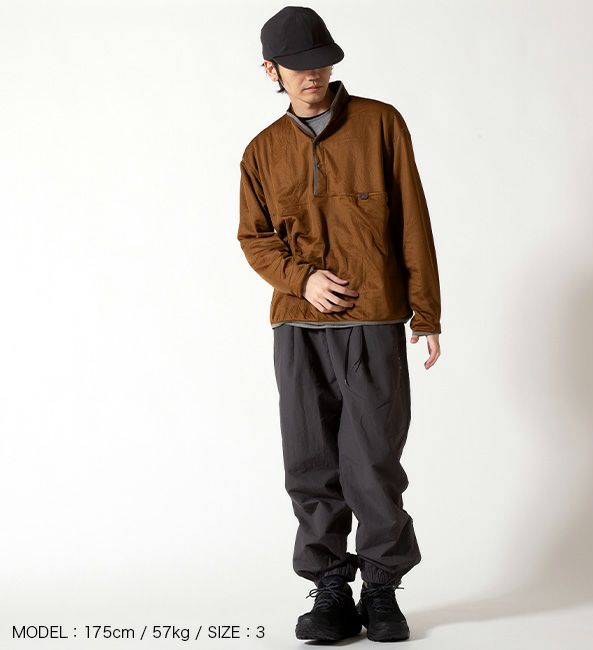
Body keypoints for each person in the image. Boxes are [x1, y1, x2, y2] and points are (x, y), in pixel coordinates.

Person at [237, 5, 442, 643]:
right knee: (309, 463)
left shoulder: (381, 124)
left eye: (321, 62)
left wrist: (427, 311)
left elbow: (412, 217)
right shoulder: (261, 151)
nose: (313, 75)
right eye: (298, 66)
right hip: (298, 327)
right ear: (271, 70)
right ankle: (330, 589)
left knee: (373, 460)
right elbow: (254, 238)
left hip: (375, 317)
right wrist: (302, 280)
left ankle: (381, 590)